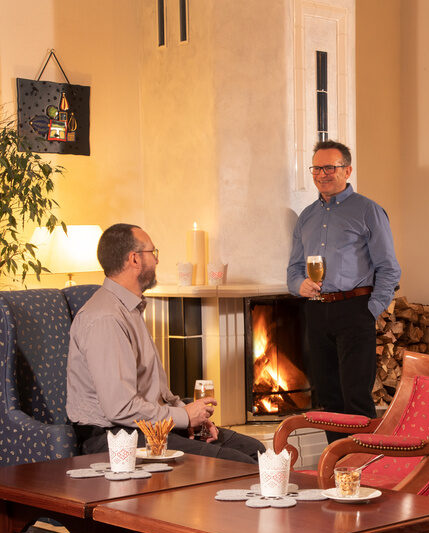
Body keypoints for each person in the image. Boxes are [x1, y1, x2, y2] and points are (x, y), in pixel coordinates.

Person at [67, 223, 265, 463]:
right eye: (153, 253)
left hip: (150, 426)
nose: (157, 261)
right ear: (134, 259)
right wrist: (181, 416)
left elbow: (155, 393)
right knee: (237, 464)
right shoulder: (106, 318)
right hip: (117, 437)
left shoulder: (130, 308)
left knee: (256, 451)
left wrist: (193, 419)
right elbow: (119, 408)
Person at [287, 140, 401, 443]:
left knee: (355, 397)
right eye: (316, 168)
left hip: (355, 309)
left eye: (330, 167)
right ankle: (336, 466)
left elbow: (389, 268)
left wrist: (370, 310)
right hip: (315, 309)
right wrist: (299, 285)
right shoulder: (307, 217)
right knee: (329, 398)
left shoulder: (368, 211)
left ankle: (364, 467)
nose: (322, 174)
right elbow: (293, 269)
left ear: (347, 170)